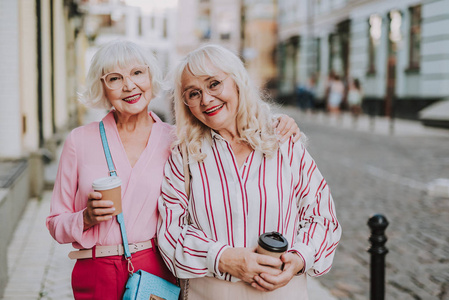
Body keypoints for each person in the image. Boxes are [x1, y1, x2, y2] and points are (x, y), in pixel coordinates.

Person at [46, 40, 301, 299]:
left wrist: (275, 122)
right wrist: (85, 218)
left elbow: (227, 130)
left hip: (156, 270)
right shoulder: (79, 141)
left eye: (137, 73)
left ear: (151, 76)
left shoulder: (178, 141)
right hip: (96, 272)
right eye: (114, 78)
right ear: (102, 86)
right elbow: (55, 223)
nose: (128, 86)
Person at [157, 44, 342, 299]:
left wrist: (298, 259)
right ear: (185, 103)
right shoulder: (184, 157)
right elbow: (170, 233)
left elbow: (321, 216)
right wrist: (222, 258)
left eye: (214, 84)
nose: (206, 99)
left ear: (237, 82)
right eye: (193, 93)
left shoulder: (283, 141)